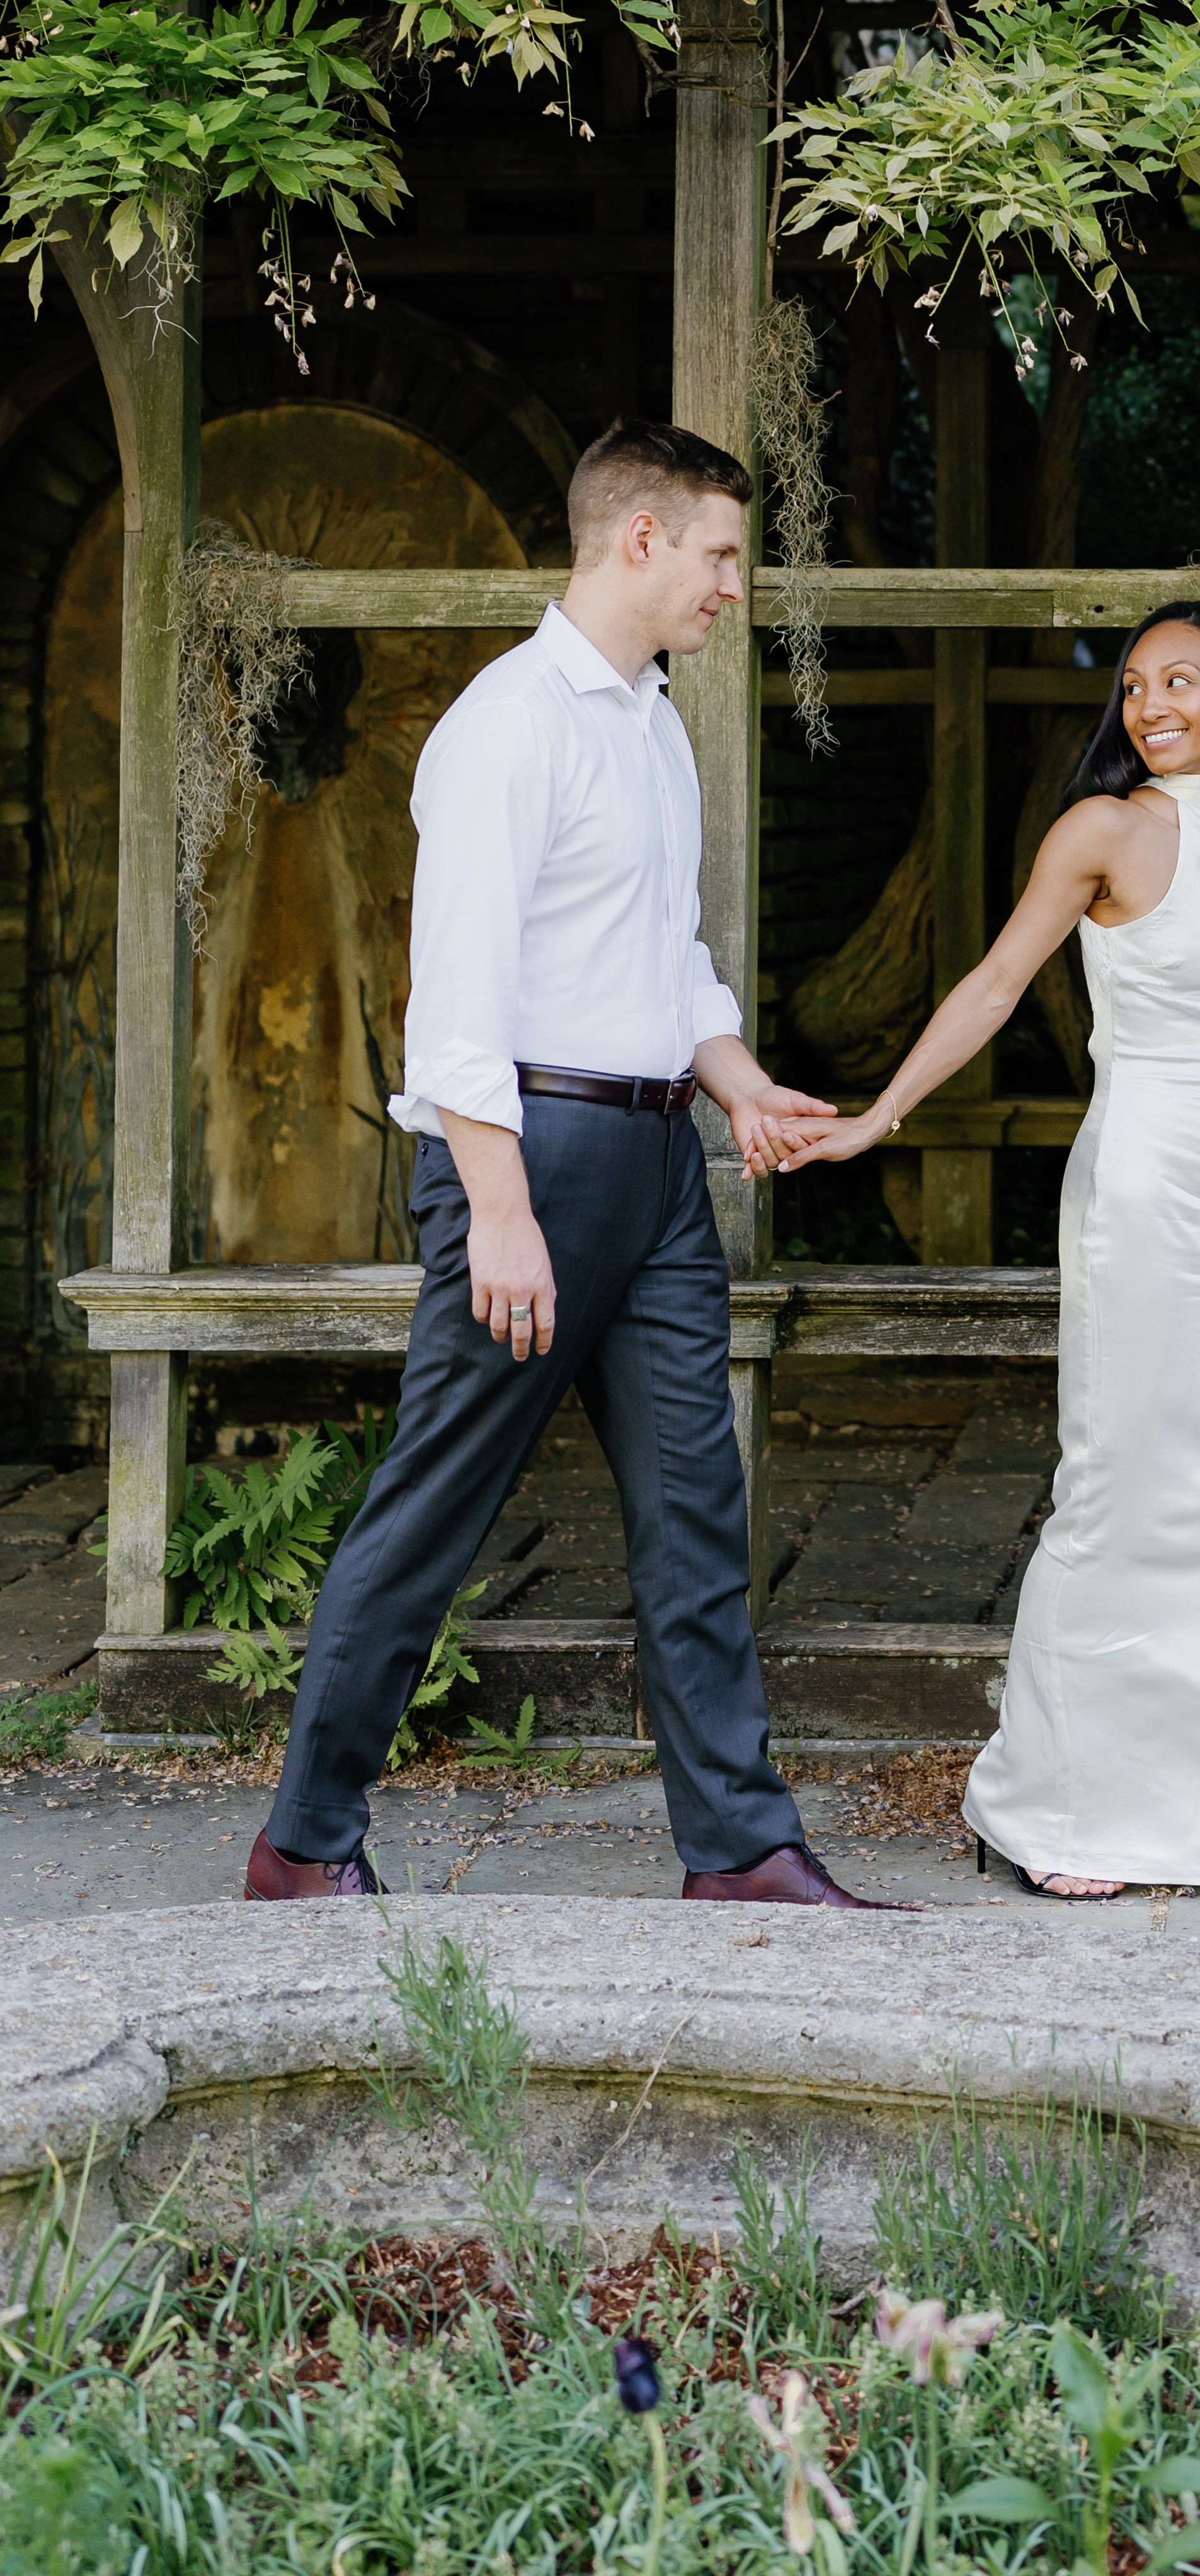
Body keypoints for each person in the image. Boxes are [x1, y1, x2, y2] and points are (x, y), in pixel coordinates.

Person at [246, 420, 884, 1911]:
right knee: (435, 1509)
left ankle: (738, 1850)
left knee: (698, 1516)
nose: (737, 585)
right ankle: (302, 1845)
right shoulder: (507, 724)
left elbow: (661, 961)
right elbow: (455, 994)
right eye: (723, 554)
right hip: (526, 1161)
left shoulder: (653, 723)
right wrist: (501, 1210)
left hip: (660, 1169)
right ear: (640, 541)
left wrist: (740, 1088)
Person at [759, 600, 1200, 1917]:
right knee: (1122, 1488)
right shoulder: (1101, 831)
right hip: (1132, 1189)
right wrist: (870, 1121)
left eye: (1179, 680)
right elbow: (993, 984)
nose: (1150, 704)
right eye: (1133, 685)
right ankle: (1051, 1808)